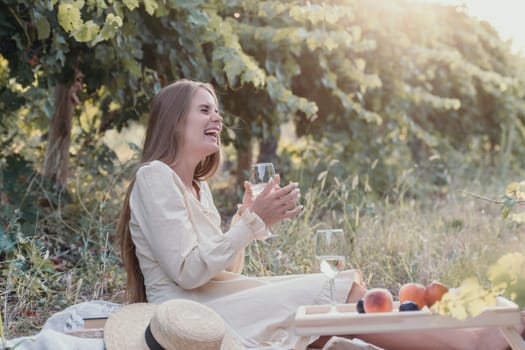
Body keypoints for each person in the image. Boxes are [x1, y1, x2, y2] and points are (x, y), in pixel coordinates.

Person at [116, 79, 520, 350]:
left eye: (217, 111)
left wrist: (245, 222)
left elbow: (225, 269)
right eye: (205, 110)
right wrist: (250, 224)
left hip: (217, 297)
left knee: (336, 300)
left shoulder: (197, 187)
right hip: (190, 314)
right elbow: (188, 273)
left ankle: (461, 333)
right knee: (329, 295)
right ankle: (468, 343)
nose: (217, 119)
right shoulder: (155, 177)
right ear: (175, 119)